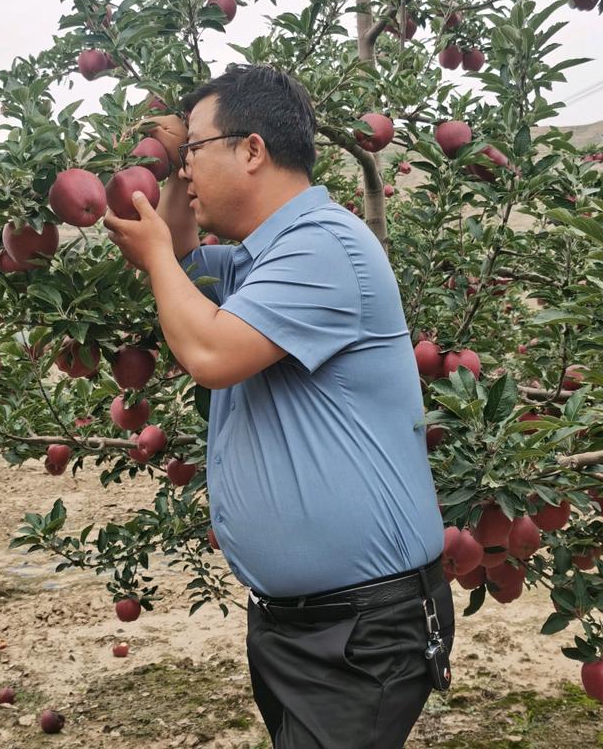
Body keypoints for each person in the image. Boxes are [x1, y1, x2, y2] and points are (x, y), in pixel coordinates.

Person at [102, 63, 453, 748]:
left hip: (359, 628)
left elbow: (208, 352)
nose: (189, 171)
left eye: (197, 150)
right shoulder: (261, 262)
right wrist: (171, 169)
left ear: (253, 149)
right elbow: (174, 256)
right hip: (297, 621)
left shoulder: (322, 246)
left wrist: (156, 253)